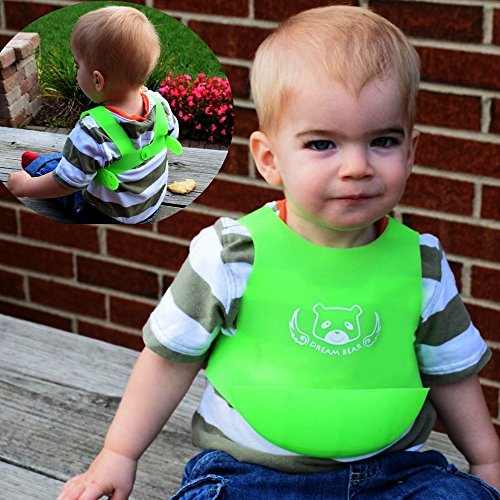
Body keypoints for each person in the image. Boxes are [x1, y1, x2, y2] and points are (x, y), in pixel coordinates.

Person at [58, 5, 500, 499]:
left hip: (396, 473)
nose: (357, 166)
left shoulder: (421, 265)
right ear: (270, 159)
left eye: (383, 141)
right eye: (322, 144)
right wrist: (118, 454)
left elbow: (452, 373)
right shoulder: (232, 255)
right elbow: (168, 360)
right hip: (254, 474)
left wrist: (487, 460)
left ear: (411, 151)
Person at [7, 6, 180, 224]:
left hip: (106, 215)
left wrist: (24, 187)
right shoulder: (160, 104)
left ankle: (38, 166)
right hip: (149, 205)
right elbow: (172, 136)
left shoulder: (93, 130)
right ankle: (57, 163)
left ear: (98, 80)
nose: (77, 73)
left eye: (77, 66)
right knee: (82, 159)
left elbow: (65, 184)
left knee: (61, 170)